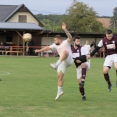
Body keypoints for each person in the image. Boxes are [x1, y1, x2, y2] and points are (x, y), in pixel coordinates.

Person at [34, 22, 73, 100]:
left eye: (55, 40)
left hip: (69, 60)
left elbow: (70, 37)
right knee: (59, 77)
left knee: (65, 52)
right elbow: (48, 47)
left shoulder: (65, 42)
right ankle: (59, 91)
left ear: (60, 40)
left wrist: (65, 29)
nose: (54, 41)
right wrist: (39, 50)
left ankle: (56, 65)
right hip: (62, 62)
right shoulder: (55, 45)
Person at [71, 36, 90, 101]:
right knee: (80, 85)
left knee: (83, 64)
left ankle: (83, 81)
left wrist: (75, 59)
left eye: (79, 41)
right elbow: (70, 58)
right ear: (74, 42)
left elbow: (84, 58)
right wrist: (75, 60)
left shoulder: (82, 48)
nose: (78, 42)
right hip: (78, 67)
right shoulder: (71, 49)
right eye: (77, 41)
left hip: (85, 64)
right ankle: (83, 95)